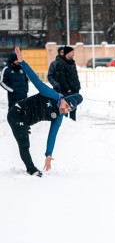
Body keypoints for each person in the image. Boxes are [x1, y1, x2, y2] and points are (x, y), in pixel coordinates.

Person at [7, 47, 83, 176]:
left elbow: (52, 135)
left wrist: (48, 154)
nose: (65, 109)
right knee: (24, 143)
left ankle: (31, 167)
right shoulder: (51, 94)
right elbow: (35, 79)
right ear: (63, 99)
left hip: (27, 120)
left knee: (25, 138)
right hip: (17, 113)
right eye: (65, 105)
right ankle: (31, 169)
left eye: (68, 110)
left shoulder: (59, 116)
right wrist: (22, 63)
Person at [55, 46, 81, 121]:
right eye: (72, 52)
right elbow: (61, 78)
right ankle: (65, 123)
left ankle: (73, 122)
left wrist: (77, 87)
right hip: (67, 91)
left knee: (73, 108)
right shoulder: (61, 63)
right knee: (66, 109)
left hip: (75, 89)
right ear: (67, 53)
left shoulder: (72, 63)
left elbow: (75, 76)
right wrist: (68, 89)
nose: (73, 54)